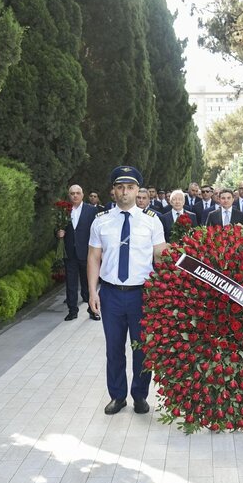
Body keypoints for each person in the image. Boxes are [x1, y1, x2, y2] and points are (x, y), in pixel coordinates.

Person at [88, 166, 167, 415]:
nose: (125, 192)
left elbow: (161, 256)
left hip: (142, 294)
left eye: (130, 187)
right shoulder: (101, 221)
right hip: (111, 293)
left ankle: (140, 395)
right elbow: (93, 258)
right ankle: (118, 396)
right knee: (114, 347)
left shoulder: (152, 222)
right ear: (113, 190)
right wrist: (92, 292)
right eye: (120, 187)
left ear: (138, 191)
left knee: (142, 348)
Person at [58, 185, 100, 322]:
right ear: (69, 195)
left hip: (86, 252)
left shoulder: (91, 211)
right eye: (72, 193)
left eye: (77, 193)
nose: (75, 196)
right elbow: (57, 228)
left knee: (88, 282)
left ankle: (92, 310)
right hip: (70, 253)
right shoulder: (64, 211)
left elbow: (96, 231)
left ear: (82, 195)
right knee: (71, 283)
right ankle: (72, 310)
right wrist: (58, 233)